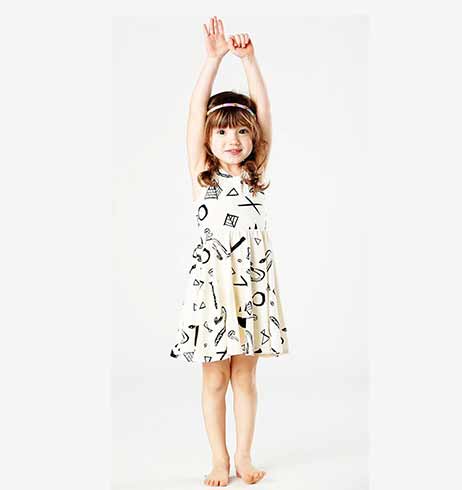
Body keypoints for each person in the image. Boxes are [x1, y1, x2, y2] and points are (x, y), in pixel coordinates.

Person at [169, 16, 289, 486]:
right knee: (215, 379)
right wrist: (214, 61)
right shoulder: (204, 175)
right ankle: (218, 459)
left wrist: (250, 62)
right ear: (207, 139)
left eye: (241, 132)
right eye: (221, 133)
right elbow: (195, 113)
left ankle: (244, 456)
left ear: (254, 138)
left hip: (251, 288)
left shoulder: (256, 173)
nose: (232, 141)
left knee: (245, 379)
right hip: (213, 292)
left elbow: (264, 110)